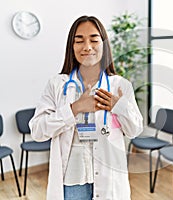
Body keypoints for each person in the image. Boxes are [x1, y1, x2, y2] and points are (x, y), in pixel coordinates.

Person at [29, 15, 143, 200]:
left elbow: (135, 130)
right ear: (71, 47)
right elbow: (37, 130)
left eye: (94, 39)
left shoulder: (120, 85)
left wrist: (118, 106)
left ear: (104, 44)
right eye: (79, 40)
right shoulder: (57, 84)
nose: (87, 47)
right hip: (72, 179)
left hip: (109, 177)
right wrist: (75, 108)